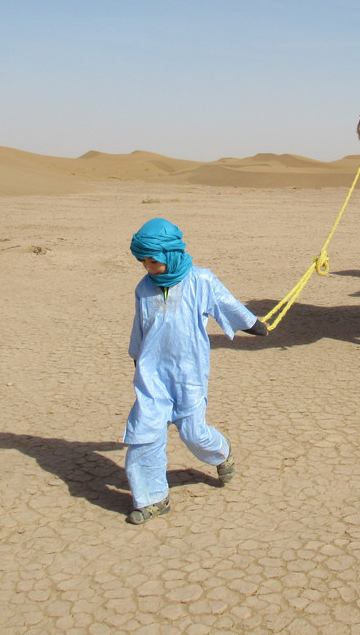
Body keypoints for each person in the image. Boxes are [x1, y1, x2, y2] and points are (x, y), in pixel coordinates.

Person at [123, 218, 268, 525]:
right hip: (152, 374)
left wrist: (253, 324)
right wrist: (137, 356)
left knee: (192, 433)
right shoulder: (143, 288)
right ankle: (153, 499)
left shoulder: (200, 280)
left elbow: (225, 302)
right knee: (143, 433)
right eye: (143, 261)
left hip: (188, 374)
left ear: (170, 254)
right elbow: (140, 326)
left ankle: (221, 453)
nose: (148, 266)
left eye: (153, 260)